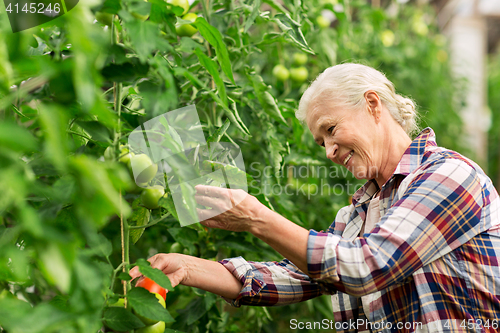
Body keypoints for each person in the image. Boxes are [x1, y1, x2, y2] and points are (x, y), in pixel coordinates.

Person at [129, 63, 500, 333]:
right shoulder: (354, 217)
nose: (328, 150)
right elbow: (293, 277)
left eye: (331, 129)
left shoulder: (448, 175)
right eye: (321, 141)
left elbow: (370, 266)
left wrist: (258, 217)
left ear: (373, 105)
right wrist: (186, 267)